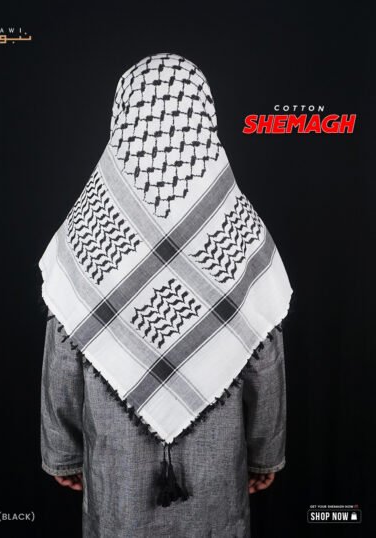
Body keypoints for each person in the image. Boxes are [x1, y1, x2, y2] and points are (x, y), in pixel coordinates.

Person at [38, 52, 293, 538]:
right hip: (217, 493)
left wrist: (63, 455)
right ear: (205, 116)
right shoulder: (238, 234)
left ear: (122, 117)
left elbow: (61, 354)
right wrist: (265, 455)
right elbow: (266, 358)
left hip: (117, 494)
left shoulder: (88, 235)